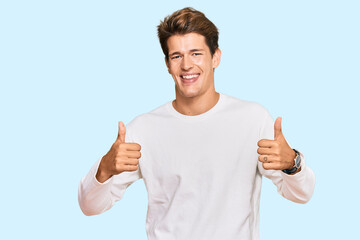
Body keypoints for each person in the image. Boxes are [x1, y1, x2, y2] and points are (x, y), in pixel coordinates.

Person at [78, 7, 315, 240]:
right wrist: (105, 169)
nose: (187, 65)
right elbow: (89, 206)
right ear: (167, 64)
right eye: (176, 56)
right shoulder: (143, 129)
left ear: (216, 57)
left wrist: (293, 163)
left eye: (196, 53)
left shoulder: (253, 119)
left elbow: (302, 194)